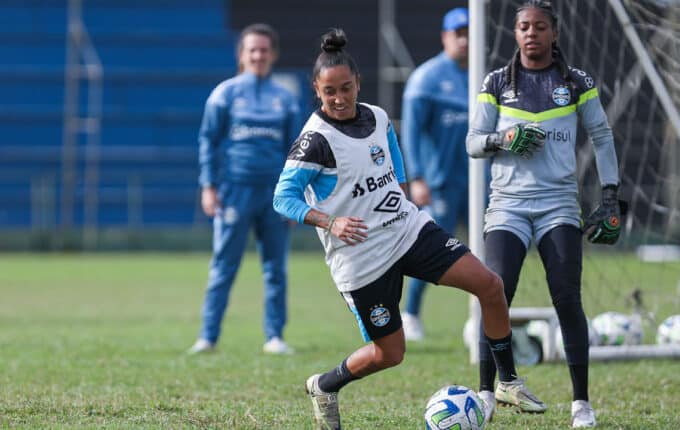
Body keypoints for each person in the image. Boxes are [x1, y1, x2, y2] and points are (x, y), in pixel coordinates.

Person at [273, 28, 543, 429]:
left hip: (408, 231)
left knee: (490, 285)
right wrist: (331, 221)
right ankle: (325, 385)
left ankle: (507, 382)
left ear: (357, 83)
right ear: (317, 89)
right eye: (329, 91)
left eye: (346, 88)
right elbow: (283, 198)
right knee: (390, 353)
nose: (339, 98)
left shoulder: (377, 116)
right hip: (363, 259)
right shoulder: (314, 141)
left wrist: (401, 194)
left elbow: (392, 154)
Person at [466, 1, 622, 427]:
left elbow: (603, 136)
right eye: (523, 27)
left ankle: (581, 404)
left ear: (554, 33)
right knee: (494, 293)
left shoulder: (576, 82)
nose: (530, 33)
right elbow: (473, 143)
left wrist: (610, 197)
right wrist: (504, 138)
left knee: (567, 298)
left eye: (539, 27)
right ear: (514, 33)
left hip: (558, 206)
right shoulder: (496, 82)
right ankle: (485, 396)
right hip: (507, 207)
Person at [188, 23, 303, 355]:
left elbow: (297, 151)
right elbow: (208, 141)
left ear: (273, 55)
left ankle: (275, 337)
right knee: (223, 266)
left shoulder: (286, 98)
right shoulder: (225, 94)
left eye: (264, 50)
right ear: (241, 54)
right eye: (252, 49)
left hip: (275, 194)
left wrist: (295, 196)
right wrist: (208, 186)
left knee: (276, 268)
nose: (258, 55)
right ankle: (208, 337)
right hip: (234, 190)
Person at [400, 7, 470, 342]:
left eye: (470, 32)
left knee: (490, 251)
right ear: (445, 37)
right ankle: (411, 313)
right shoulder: (426, 78)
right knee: (432, 251)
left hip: (480, 183)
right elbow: (411, 133)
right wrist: (417, 178)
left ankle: (483, 316)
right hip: (440, 184)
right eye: (459, 33)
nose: (466, 39)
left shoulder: (485, 77)